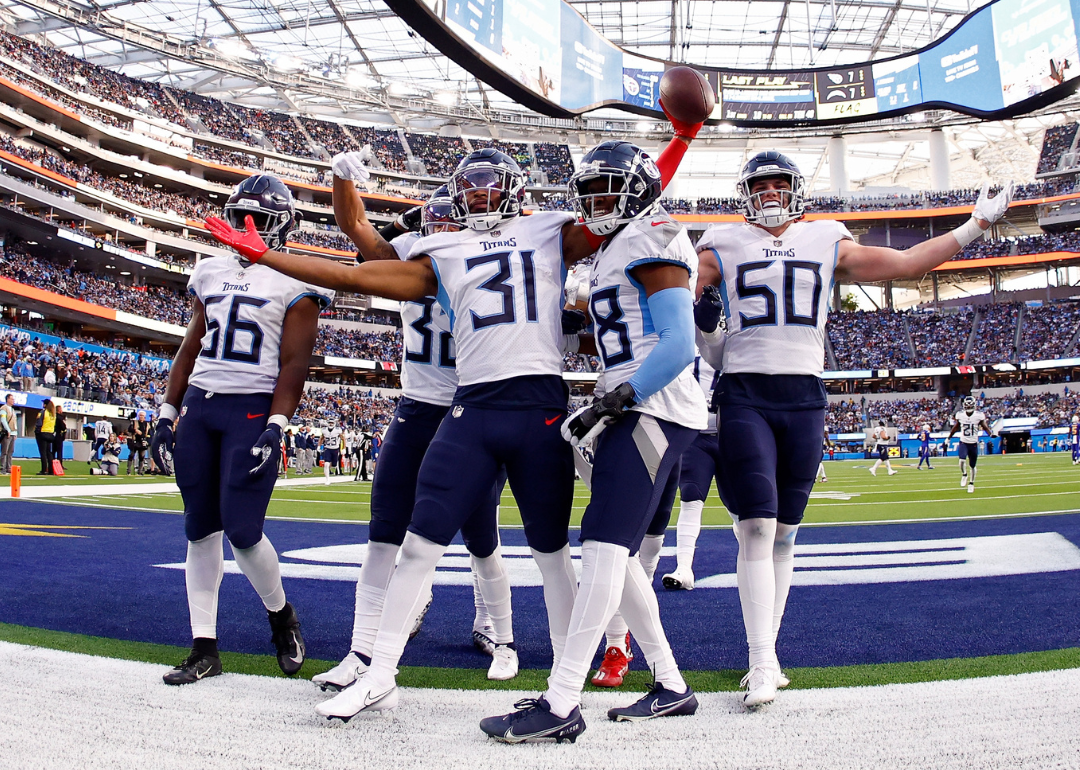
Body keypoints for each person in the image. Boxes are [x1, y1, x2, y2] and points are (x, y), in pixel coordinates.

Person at [205, 122, 699, 724]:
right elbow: (356, 273)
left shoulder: (551, 228)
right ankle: (379, 673)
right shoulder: (444, 250)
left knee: (552, 554)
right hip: (472, 407)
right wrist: (268, 256)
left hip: (540, 405)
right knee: (419, 542)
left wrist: (683, 136)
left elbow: (626, 194)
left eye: (491, 187)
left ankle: (562, 687)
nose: (480, 197)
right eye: (470, 188)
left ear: (515, 192)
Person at [692, 151, 1013, 709]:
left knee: (785, 533)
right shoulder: (722, 241)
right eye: (760, 186)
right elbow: (680, 289)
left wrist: (977, 224)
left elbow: (907, 264)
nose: (770, 194)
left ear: (796, 190)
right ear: (745, 193)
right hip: (744, 391)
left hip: (804, 395)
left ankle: (770, 651)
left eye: (779, 184)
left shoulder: (825, 238)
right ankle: (760, 659)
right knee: (757, 528)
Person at [481, 139, 706, 741]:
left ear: (638, 190)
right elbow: (621, 333)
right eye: (590, 191)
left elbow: (678, 344)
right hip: (632, 403)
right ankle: (671, 685)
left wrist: (620, 398)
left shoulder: (652, 234)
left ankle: (560, 704)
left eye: (610, 188)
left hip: (653, 406)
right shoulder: (613, 247)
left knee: (603, 544)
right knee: (618, 554)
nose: (598, 200)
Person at [303, 168, 517, 691]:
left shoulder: (482, 257)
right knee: (383, 534)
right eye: (433, 222)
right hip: (417, 408)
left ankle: (498, 631)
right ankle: (362, 648)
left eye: (448, 221)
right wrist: (344, 181)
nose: (440, 231)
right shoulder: (410, 254)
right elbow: (356, 227)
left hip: (470, 409)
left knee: (482, 537)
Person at [151, 173, 335, 685]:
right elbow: (190, 347)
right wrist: (166, 412)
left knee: (244, 532)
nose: (248, 226)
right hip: (202, 406)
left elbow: (295, 363)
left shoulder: (295, 279)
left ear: (284, 225)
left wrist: (278, 424)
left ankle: (282, 617)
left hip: (251, 408)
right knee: (199, 528)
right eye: (241, 216)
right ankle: (204, 648)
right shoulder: (209, 270)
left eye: (260, 219)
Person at [660, 355, 722, 595]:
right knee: (690, 498)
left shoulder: (739, 347)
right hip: (696, 436)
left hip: (734, 434)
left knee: (742, 509)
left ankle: (756, 562)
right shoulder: (687, 351)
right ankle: (684, 568)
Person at [947, 396, 994, 493]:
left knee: (972, 465)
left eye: (970, 405)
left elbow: (985, 427)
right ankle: (964, 474)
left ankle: (971, 483)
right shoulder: (960, 415)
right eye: (967, 406)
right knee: (961, 460)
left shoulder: (978, 415)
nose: (968, 407)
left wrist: (990, 434)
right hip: (964, 441)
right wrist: (948, 438)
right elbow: (955, 427)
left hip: (973, 443)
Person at [34, 399, 55, 475]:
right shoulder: (52, 414)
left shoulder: (43, 412)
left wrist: (37, 432)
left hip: (42, 433)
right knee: (49, 453)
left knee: (43, 453)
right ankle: (51, 470)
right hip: (50, 434)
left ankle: (44, 470)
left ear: (45, 405)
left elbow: (39, 423)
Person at [0, 393, 16, 475]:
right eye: (12, 399)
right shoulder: (4, 408)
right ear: (8, 399)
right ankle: (3, 468)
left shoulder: (12, 410)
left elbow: (14, 422)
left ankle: (8, 468)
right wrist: (8, 430)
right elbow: (3, 420)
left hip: (13, 432)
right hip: (6, 433)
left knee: (10, 451)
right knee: (5, 451)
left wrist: (15, 433)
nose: (13, 400)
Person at [51, 405, 66, 472]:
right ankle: (59, 465)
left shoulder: (53, 417)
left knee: (53, 451)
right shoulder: (60, 418)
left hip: (53, 435)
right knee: (59, 451)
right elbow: (63, 427)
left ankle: (51, 464)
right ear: (59, 410)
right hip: (58, 435)